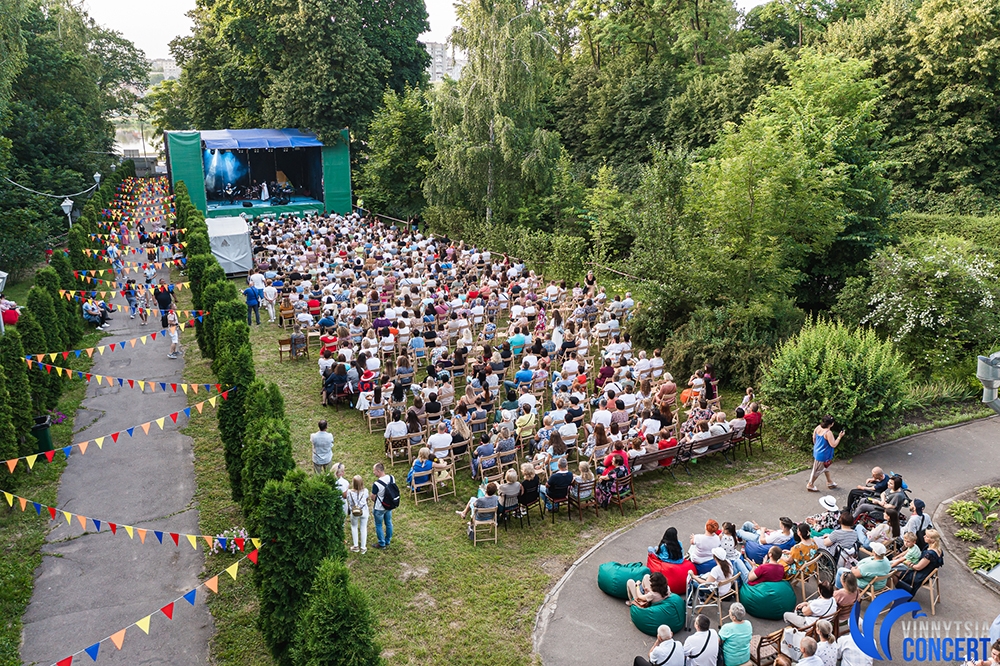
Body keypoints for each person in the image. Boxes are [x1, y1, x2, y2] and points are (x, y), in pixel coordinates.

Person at [895, 529, 944, 597]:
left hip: (919, 575)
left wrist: (908, 563)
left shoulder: (930, 554)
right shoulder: (938, 549)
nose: (924, 536)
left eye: (926, 536)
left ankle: (899, 594)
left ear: (932, 540)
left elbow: (918, 567)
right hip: (927, 573)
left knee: (894, 572)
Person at [806, 415, 844, 492]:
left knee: (825, 467)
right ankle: (810, 484)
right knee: (817, 471)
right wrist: (839, 437)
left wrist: (817, 446)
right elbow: (833, 444)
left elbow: (814, 438)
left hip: (818, 452)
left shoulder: (818, 427)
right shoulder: (828, 433)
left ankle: (830, 482)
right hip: (823, 456)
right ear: (832, 424)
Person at [371, 462, 395, 549]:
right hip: (389, 505)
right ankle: (388, 540)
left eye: (374, 471)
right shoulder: (392, 478)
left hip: (379, 508)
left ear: (378, 471)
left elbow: (373, 497)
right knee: (388, 523)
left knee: (378, 525)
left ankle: (381, 543)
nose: (373, 472)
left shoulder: (376, 484)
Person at [346, 475, 369, 554]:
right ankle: (363, 547)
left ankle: (356, 546)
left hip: (354, 511)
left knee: (354, 527)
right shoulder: (365, 491)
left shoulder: (349, 492)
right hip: (364, 511)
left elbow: (348, 500)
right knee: (363, 528)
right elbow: (367, 499)